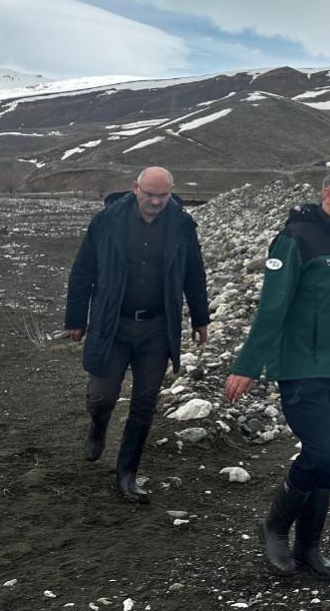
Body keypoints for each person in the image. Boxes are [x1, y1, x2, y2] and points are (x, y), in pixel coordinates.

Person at [224, 168, 330, 579]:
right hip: (300, 369)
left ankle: (309, 547)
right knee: (323, 452)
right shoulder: (295, 239)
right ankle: (274, 527)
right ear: (327, 194)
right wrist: (247, 366)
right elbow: (272, 307)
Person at [65, 166, 210, 503]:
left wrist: (200, 319)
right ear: (135, 189)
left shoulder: (182, 225)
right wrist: (76, 318)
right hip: (112, 324)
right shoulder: (108, 221)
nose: (156, 202)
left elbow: (194, 272)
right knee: (102, 395)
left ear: (171, 193)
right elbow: (83, 268)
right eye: (150, 194)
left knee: (145, 403)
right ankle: (98, 426)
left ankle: (127, 473)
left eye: (163, 195)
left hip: (158, 328)